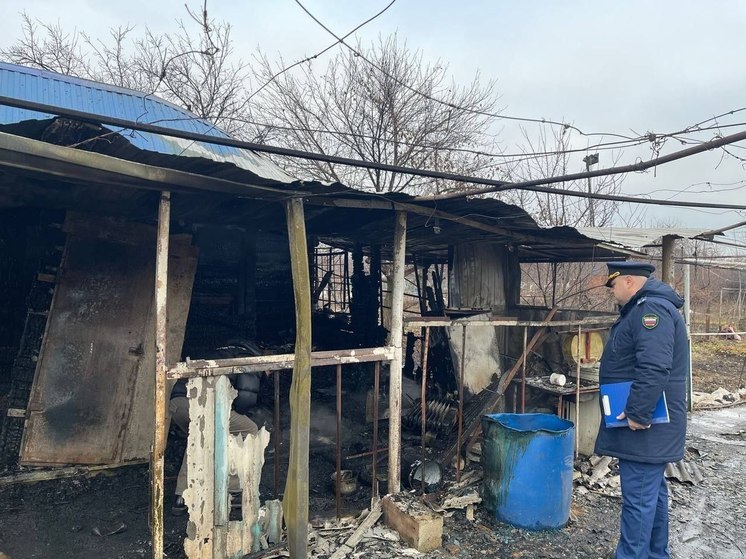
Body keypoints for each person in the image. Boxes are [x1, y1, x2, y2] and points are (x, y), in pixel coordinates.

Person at [594, 262, 688, 559]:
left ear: (629, 282)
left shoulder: (651, 312)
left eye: (614, 285)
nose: (612, 292)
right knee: (651, 494)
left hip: (647, 428)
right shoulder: (646, 308)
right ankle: (656, 554)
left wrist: (638, 413)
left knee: (638, 499)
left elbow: (654, 366)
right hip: (651, 427)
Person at [170, 342, 263, 516]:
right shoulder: (250, 360)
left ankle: (181, 497)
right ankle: (233, 491)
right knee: (249, 429)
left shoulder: (219, 352)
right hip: (200, 404)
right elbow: (246, 399)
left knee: (199, 440)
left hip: (177, 404)